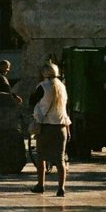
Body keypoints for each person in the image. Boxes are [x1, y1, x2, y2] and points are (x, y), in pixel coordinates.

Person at [31, 62, 71, 197]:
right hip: (61, 127)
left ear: (44, 73)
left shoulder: (42, 86)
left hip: (46, 126)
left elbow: (32, 101)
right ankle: (61, 188)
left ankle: (40, 184)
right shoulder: (62, 87)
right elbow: (65, 109)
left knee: (41, 157)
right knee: (60, 159)